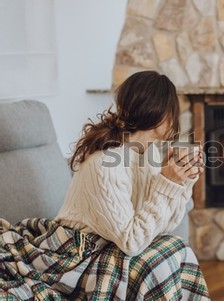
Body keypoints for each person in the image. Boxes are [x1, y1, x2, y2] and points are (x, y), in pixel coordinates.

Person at [56, 70, 203, 257]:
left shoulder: (150, 154)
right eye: (174, 111)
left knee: (175, 247)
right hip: (78, 250)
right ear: (160, 113)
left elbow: (166, 225)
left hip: (110, 245)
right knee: (169, 254)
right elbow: (131, 243)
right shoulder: (105, 165)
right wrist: (168, 183)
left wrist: (183, 179)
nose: (175, 118)